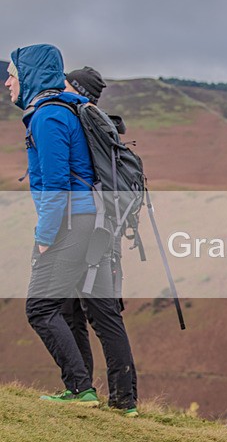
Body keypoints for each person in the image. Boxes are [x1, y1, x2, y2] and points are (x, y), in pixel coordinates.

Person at [5, 45, 137, 416]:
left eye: (13, 74)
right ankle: (104, 395)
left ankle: (80, 388)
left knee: (40, 307)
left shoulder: (48, 116)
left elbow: (56, 185)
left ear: (29, 75)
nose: (7, 82)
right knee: (74, 309)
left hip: (72, 222)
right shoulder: (60, 111)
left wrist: (44, 238)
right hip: (90, 221)